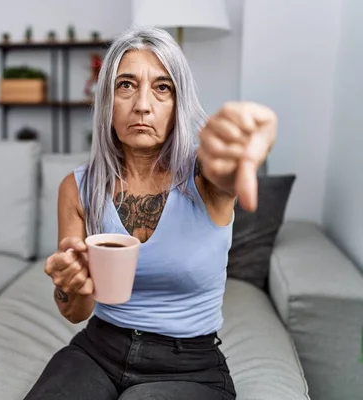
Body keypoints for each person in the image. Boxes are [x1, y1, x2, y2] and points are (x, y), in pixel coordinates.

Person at [24, 27, 276, 400]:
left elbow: (225, 170)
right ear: (107, 100)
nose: (143, 104)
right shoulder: (76, 188)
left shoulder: (203, 178)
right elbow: (76, 312)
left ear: (179, 102)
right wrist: (68, 285)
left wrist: (243, 143)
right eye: (126, 85)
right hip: (98, 350)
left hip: (189, 365)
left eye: (162, 88)